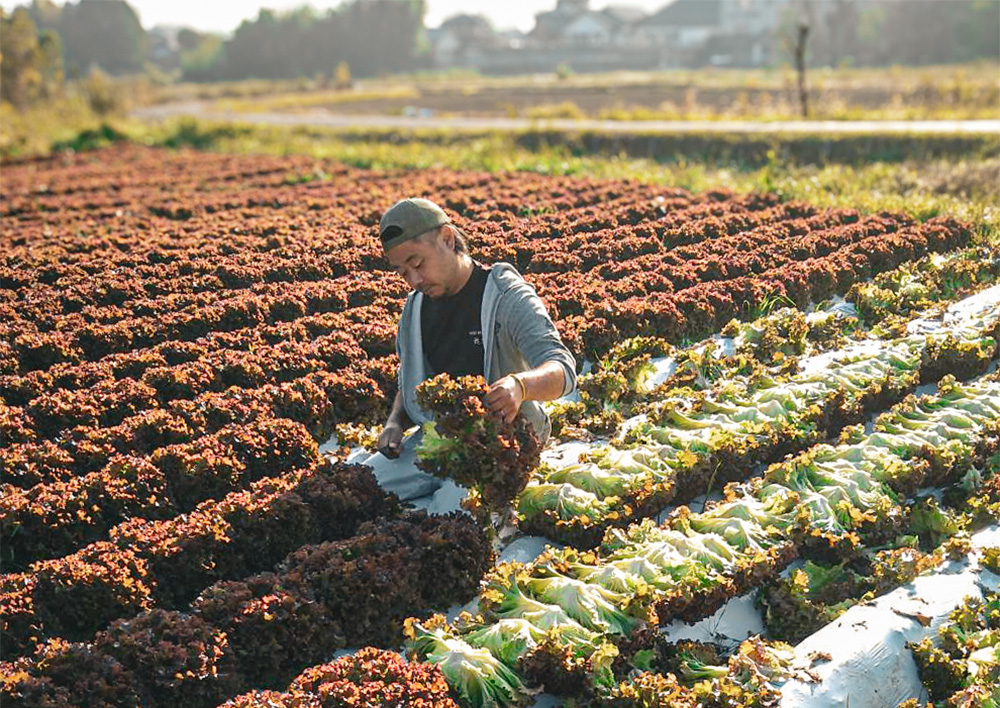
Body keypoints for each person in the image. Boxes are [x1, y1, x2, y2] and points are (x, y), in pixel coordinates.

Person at [375, 197, 577, 462]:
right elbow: (409, 379)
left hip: (506, 439)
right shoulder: (414, 309)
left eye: (417, 263)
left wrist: (520, 386)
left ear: (447, 238)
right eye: (402, 272)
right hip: (440, 437)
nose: (413, 280)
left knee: (452, 501)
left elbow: (563, 369)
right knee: (372, 480)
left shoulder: (506, 296)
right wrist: (394, 424)